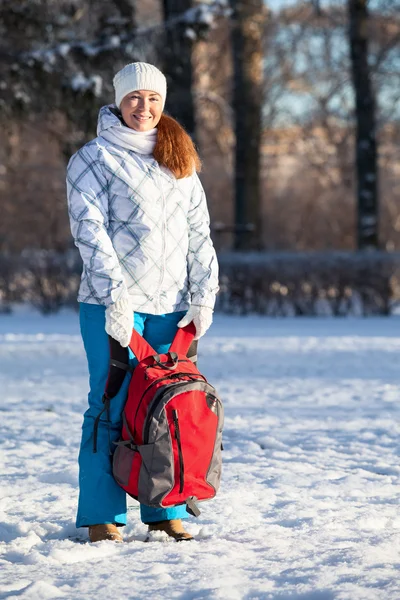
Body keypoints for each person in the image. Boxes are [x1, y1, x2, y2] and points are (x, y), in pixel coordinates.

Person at [66, 62, 219, 543]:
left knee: (166, 407)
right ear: (118, 100)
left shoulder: (179, 158)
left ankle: (165, 508)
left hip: (173, 310)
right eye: (134, 98)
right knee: (111, 405)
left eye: (153, 98)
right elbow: (89, 234)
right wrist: (115, 297)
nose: (144, 107)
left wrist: (203, 294)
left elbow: (200, 233)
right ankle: (101, 517)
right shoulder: (92, 159)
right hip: (112, 305)